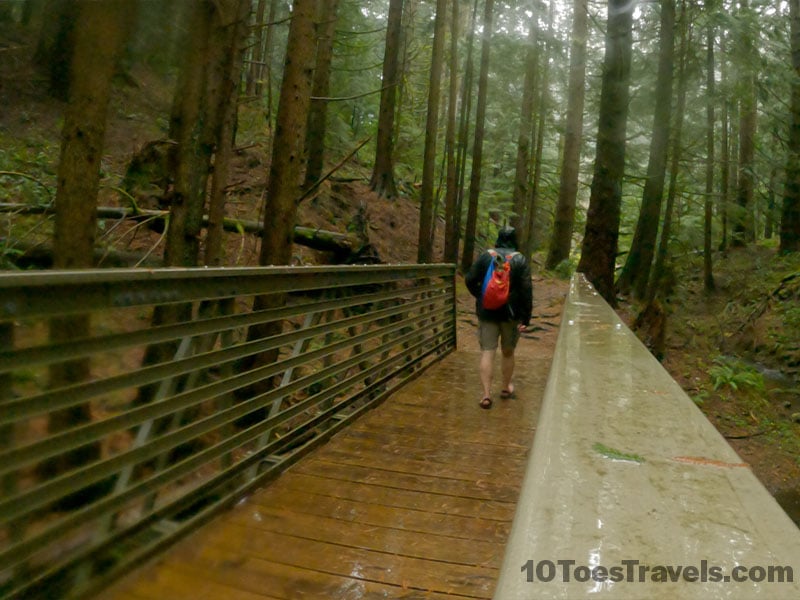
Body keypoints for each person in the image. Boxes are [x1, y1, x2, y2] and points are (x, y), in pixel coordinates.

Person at [465, 226, 533, 409]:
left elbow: (470, 279)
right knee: (508, 352)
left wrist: (481, 295)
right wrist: (526, 318)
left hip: (487, 312)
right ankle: (504, 387)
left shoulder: (486, 256)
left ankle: (486, 395)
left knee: (488, 351)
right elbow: (527, 290)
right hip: (510, 314)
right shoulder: (519, 259)